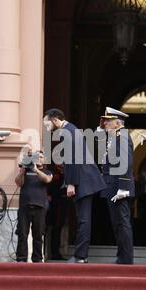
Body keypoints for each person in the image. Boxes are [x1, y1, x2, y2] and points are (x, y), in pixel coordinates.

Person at [43, 108, 106, 263]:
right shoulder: (71, 130)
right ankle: (80, 255)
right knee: (83, 218)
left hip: (83, 181)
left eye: (47, 123)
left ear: (55, 119)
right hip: (84, 180)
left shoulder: (68, 131)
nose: (46, 127)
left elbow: (74, 158)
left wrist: (71, 183)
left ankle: (80, 256)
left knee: (83, 219)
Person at [99, 107, 135, 265]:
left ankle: (125, 259)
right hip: (112, 186)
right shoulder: (115, 137)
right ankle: (122, 257)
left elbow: (125, 163)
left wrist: (123, 187)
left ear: (117, 123)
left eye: (108, 121)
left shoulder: (122, 137)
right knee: (117, 224)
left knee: (122, 222)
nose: (105, 123)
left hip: (118, 187)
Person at [15, 150, 53, 263]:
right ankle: (21, 259)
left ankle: (37, 259)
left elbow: (47, 180)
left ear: (44, 159)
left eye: (41, 157)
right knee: (22, 234)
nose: (39, 159)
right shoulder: (25, 170)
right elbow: (18, 183)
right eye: (37, 157)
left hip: (40, 207)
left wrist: (36, 170)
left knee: (38, 234)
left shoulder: (47, 171)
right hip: (24, 206)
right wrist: (22, 171)